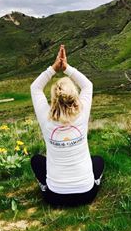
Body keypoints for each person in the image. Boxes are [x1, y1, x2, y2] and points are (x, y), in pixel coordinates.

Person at [30, 44, 104, 207]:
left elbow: (35, 88)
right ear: (74, 95)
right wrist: (67, 68)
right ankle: (95, 181)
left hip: (54, 197)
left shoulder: (45, 117)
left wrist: (54, 68)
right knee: (98, 160)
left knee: (36, 160)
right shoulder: (82, 113)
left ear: (53, 98)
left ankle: (45, 187)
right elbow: (88, 85)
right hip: (87, 194)